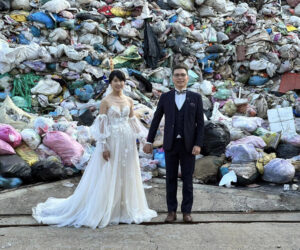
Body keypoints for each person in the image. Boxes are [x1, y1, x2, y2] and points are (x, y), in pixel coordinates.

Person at [32, 70, 157, 229]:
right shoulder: (106, 101)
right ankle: (107, 207)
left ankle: (124, 207)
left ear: (125, 83)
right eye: (116, 81)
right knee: (108, 172)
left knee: (126, 171)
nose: (119, 84)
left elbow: (133, 121)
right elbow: (102, 125)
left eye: (121, 81)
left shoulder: (129, 100)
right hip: (112, 140)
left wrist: (143, 138)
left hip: (127, 141)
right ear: (111, 83)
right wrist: (104, 145)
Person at [143, 64, 204, 223]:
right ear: (172, 78)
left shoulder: (196, 98)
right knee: (170, 179)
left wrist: (198, 144)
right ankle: (171, 211)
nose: (180, 78)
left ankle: (186, 212)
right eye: (177, 75)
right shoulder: (165, 97)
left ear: (187, 78)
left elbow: (200, 124)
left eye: (183, 75)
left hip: (189, 145)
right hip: (170, 144)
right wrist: (149, 140)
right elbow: (156, 120)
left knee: (187, 180)